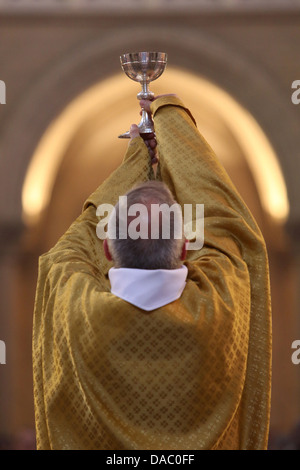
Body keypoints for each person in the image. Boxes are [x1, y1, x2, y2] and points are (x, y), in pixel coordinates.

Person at [32, 94, 272, 450]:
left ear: (107, 248)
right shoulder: (221, 303)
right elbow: (224, 218)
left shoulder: (74, 305)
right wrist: (168, 116)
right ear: (187, 247)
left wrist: (138, 155)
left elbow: (77, 238)